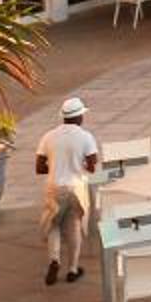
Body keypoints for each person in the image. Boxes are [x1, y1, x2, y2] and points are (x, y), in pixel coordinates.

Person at [33, 94, 99, 287]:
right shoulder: (86, 137)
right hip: (76, 188)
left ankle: (54, 260)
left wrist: (55, 166)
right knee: (74, 225)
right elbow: (92, 166)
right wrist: (79, 165)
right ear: (79, 117)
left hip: (54, 187)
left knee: (53, 224)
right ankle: (73, 269)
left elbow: (39, 167)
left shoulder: (48, 136)